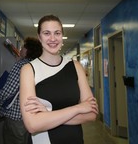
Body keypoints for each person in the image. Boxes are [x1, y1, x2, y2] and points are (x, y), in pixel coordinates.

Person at [20, 14, 98, 144]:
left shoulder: (75, 66)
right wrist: (77, 108)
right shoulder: (29, 70)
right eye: (46, 33)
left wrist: (47, 115)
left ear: (62, 36)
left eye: (57, 33)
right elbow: (32, 124)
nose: (52, 38)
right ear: (39, 37)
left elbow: (92, 114)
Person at [0, 37, 43, 144]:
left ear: (28, 51)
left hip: (16, 118)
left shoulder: (21, 66)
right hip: (32, 117)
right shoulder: (37, 66)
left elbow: (9, 90)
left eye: (22, 47)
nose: (20, 49)